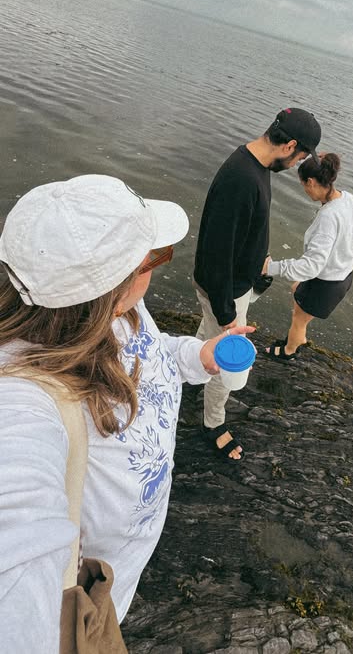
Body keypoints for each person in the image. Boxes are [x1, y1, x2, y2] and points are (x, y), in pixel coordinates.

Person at [0, 174, 253, 652]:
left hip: (126, 560)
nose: (156, 267)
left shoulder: (116, 311)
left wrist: (200, 357)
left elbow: (153, 354)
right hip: (89, 574)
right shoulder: (24, 393)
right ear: (116, 279)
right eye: (155, 257)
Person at [193, 107, 321, 461]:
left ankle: (189, 369)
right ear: (290, 145)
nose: (297, 165)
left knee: (207, 335)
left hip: (234, 282)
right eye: (299, 157)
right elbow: (218, 249)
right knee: (227, 359)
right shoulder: (241, 179)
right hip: (225, 290)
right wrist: (227, 312)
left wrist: (258, 267)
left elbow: (241, 232)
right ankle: (213, 423)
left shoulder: (255, 165)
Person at [263, 153, 353, 360]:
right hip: (344, 274)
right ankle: (299, 339)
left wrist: (271, 267)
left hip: (327, 283)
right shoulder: (349, 199)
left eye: (303, 185)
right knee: (298, 295)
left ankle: (289, 350)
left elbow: (311, 266)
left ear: (310, 182)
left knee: (298, 319)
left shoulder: (328, 216)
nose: (305, 191)